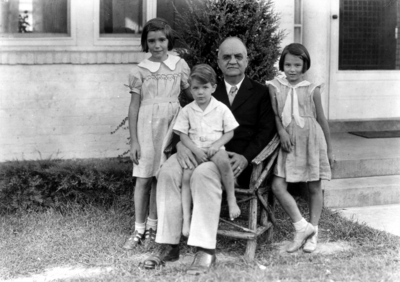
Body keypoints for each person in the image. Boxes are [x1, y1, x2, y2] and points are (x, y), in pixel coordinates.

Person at [141, 37, 276, 274]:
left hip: (232, 161)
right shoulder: (204, 86)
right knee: (168, 172)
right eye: (226, 57)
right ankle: (168, 244)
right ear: (218, 61)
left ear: (247, 60)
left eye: (238, 56)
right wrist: (180, 147)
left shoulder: (261, 93)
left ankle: (205, 249)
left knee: (203, 174)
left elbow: (266, 132)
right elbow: (182, 122)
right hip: (194, 151)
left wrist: (246, 157)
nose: (232, 61)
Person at [122, 18, 191, 250]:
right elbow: (133, 106)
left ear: (168, 40)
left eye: (161, 39)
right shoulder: (139, 70)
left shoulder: (179, 65)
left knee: (160, 176)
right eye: (151, 41)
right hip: (146, 125)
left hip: (171, 125)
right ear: (145, 43)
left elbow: (191, 94)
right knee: (143, 178)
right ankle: (138, 229)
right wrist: (134, 141)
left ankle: (153, 226)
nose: (157, 45)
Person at [265, 43, 333, 253]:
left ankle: (314, 232)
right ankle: (302, 227)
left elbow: (321, 119)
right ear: (282, 65)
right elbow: (276, 114)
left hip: (312, 140)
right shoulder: (275, 86)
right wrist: (282, 132)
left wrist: (330, 149)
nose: (292, 69)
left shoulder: (313, 89)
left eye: (297, 65)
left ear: (305, 66)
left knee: (313, 187)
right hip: (289, 142)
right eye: (288, 65)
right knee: (278, 185)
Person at [173, 64, 241, 237]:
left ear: (213, 88)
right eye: (195, 88)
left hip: (215, 147)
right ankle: (187, 221)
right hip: (197, 149)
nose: (200, 92)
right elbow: (182, 135)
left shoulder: (220, 108)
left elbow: (230, 132)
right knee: (187, 176)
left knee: (224, 162)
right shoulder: (188, 110)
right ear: (191, 89)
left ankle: (232, 199)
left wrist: (217, 145)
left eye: (205, 87)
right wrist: (195, 150)